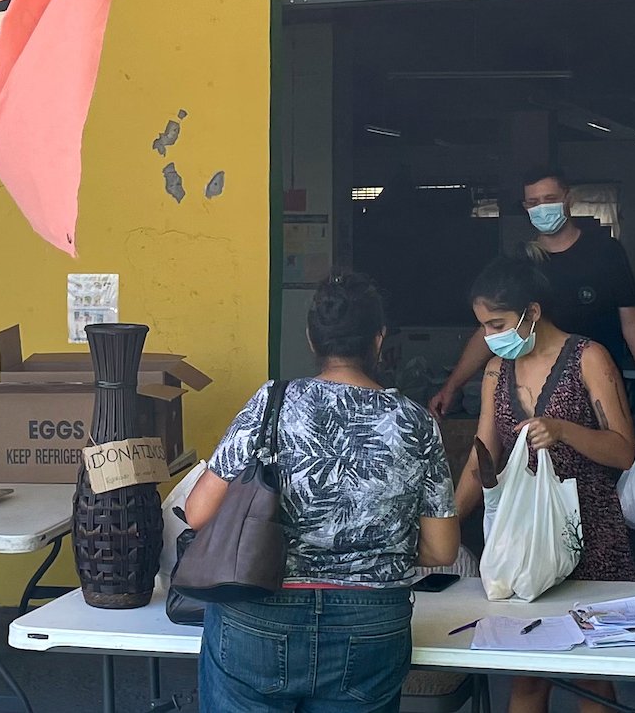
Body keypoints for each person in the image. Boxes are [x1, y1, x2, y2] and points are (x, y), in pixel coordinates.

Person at [184, 272, 460, 712]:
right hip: (371, 624)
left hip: (260, 613)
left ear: (313, 339)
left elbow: (198, 514)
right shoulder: (415, 422)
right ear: (379, 339)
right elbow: (443, 549)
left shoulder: (271, 404)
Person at [453, 255, 635, 713]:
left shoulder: (588, 357)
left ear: (531, 312)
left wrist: (564, 430)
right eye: (482, 327)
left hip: (591, 535)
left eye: (496, 323)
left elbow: (624, 451)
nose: (490, 336)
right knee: (528, 676)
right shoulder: (497, 371)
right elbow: (483, 456)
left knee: (593, 676)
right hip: (522, 541)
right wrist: (449, 522)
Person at [429, 167, 635, 429]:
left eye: (550, 199)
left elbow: (633, 323)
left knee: (608, 453)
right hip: (538, 387)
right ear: (525, 207)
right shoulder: (523, 262)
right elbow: (493, 326)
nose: (542, 208)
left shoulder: (605, 251)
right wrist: (452, 386)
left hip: (599, 382)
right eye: (533, 202)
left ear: (568, 199)